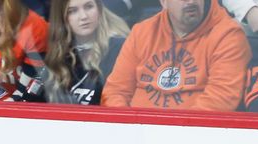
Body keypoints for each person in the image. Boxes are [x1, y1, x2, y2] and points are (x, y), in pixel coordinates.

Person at [101, 0, 250, 110]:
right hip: (136, 135)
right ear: (164, 2)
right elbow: (115, 92)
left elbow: (220, 101)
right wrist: (128, 128)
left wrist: (171, 132)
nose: (191, 2)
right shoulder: (141, 32)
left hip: (194, 138)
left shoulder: (228, 36)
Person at [39, 0, 129, 104]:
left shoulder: (119, 48)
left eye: (89, 7)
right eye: (72, 11)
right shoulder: (60, 55)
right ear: (62, 18)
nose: (83, 16)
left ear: (99, 9)